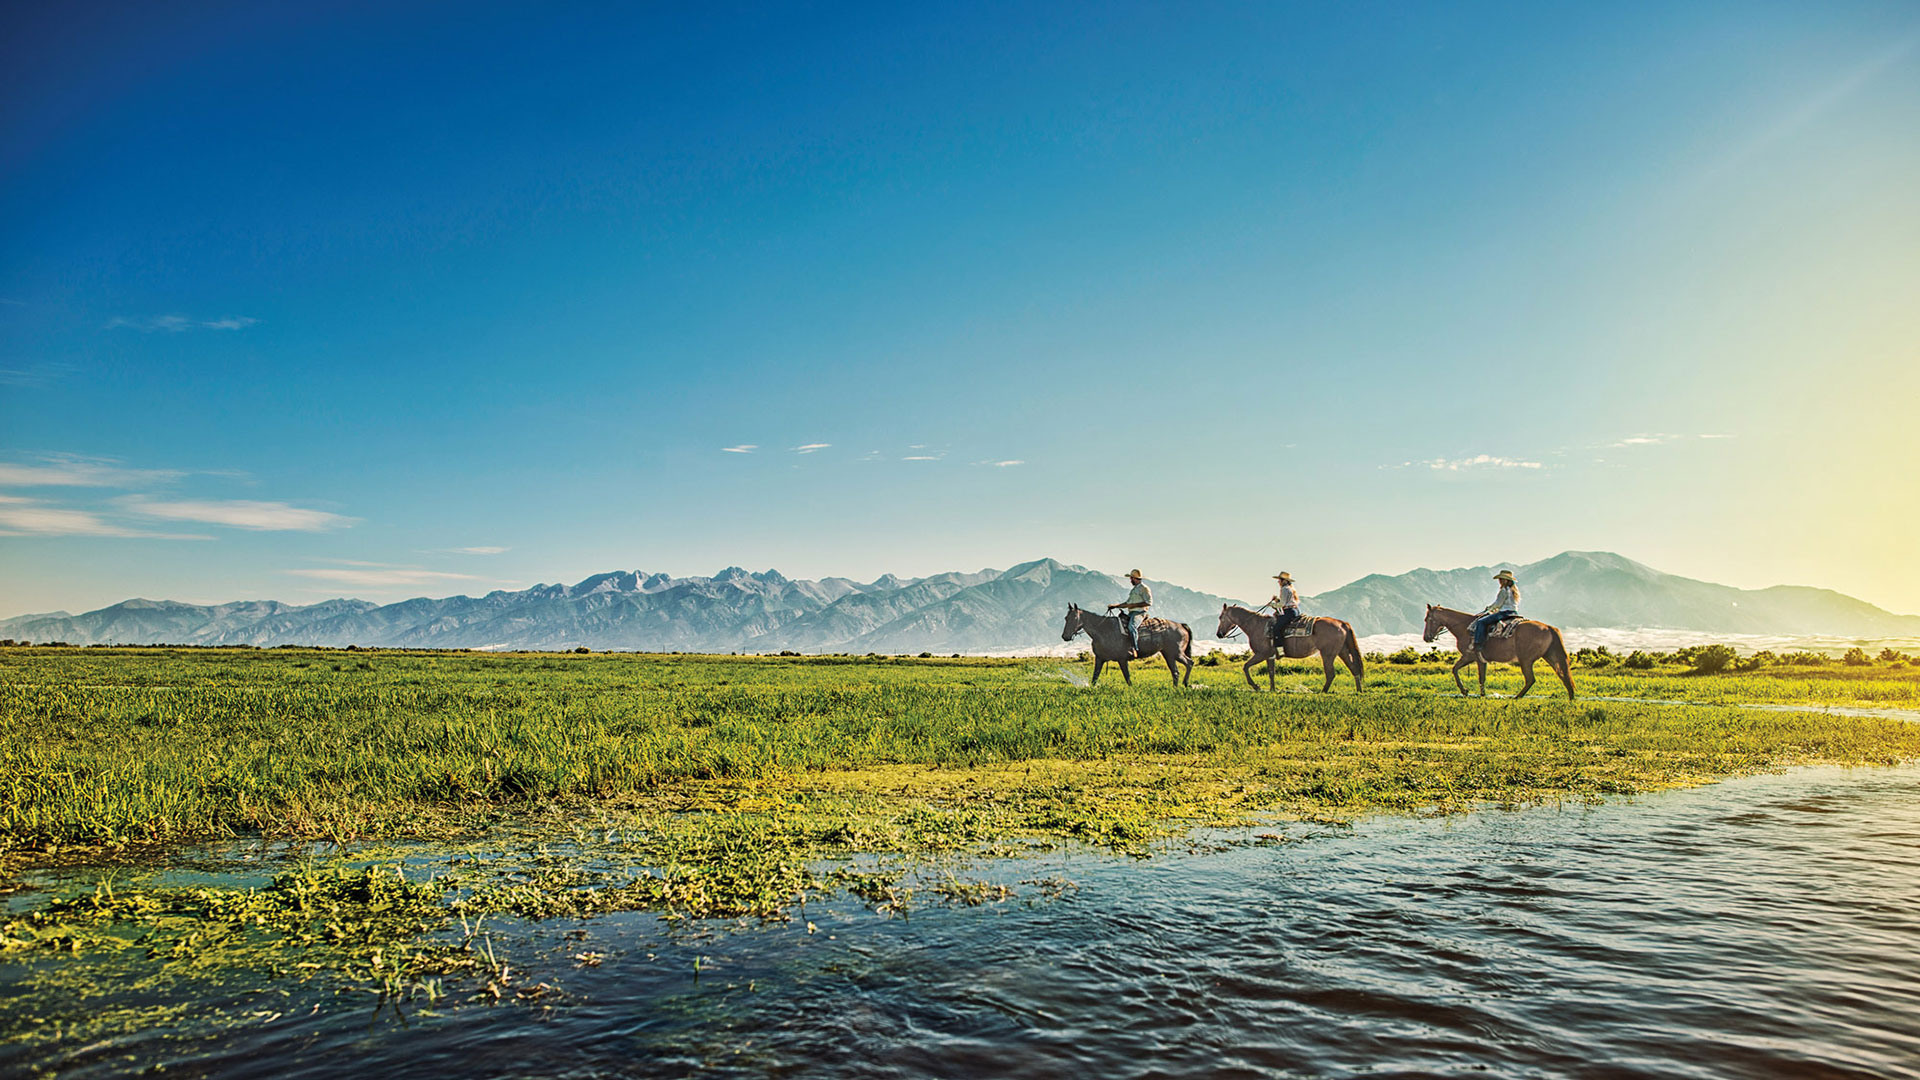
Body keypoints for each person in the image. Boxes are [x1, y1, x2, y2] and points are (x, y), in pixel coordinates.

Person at [1470, 569, 1520, 651]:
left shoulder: (1504, 591)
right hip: (1513, 612)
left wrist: (1489, 608)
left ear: (1505, 580)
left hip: (1504, 613)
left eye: (1501, 579)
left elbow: (1498, 604)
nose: (1499, 581)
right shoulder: (1513, 590)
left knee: (1481, 622)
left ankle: (1478, 644)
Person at [1108, 569, 1152, 652]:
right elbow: (1127, 603)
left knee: (1131, 627)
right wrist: (1115, 606)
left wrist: (1133, 605)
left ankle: (1134, 648)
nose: (1130, 580)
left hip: (1140, 612)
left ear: (1135, 578)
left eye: (1131, 578)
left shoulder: (1144, 588)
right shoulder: (1134, 590)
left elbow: (1149, 602)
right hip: (1131, 612)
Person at [1268, 572, 1301, 645]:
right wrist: (1277, 600)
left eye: (1279, 580)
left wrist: (1271, 604)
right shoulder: (1291, 589)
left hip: (1289, 611)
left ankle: (1280, 649)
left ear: (1284, 581)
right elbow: (1287, 601)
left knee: (1276, 628)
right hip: (1295, 610)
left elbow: (1282, 604)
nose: (1278, 582)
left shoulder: (1284, 589)